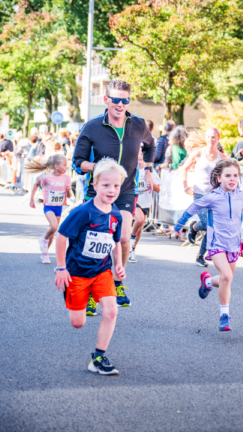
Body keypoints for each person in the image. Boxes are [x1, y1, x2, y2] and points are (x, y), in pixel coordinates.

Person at [72, 79, 156, 309]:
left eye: (125, 100)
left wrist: (148, 169)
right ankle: (91, 290)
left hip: (126, 190)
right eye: (116, 99)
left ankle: (117, 282)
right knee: (97, 242)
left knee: (124, 238)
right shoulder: (92, 127)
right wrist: (99, 167)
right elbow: (77, 162)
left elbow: (151, 145)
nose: (120, 104)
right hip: (97, 193)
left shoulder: (138, 125)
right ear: (106, 99)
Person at [175, 159, 243, 331]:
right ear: (219, 178)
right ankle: (224, 316)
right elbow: (194, 207)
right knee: (227, 276)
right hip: (216, 244)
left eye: (235, 175)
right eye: (228, 175)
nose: (232, 179)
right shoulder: (212, 197)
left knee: (226, 279)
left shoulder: (241, 196)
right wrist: (180, 224)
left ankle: (208, 282)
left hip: (233, 244)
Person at [54, 158, 127, 375]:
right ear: (94, 185)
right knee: (77, 323)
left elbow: (115, 241)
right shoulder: (82, 212)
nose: (111, 190)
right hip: (77, 273)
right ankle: (87, 296)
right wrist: (61, 267)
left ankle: (98, 357)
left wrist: (118, 265)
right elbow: (61, 236)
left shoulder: (116, 214)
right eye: (106, 185)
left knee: (111, 311)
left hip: (102, 270)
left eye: (116, 185)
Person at [179, 128, 225, 267]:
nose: (211, 140)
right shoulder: (198, 153)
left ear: (218, 138)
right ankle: (194, 227)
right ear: (205, 138)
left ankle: (200, 256)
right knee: (208, 224)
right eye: (209, 137)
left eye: (214, 137)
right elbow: (184, 168)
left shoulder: (222, 157)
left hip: (215, 196)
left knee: (213, 226)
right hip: (199, 194)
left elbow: (230, 172)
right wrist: (185, 185)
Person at [27, 154, 72, 264]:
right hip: (49, 207)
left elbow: (69, 196)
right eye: (64, 165)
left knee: (52, 232)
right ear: (56, 166)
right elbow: (36, 184)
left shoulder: (66, 178)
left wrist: (69, 190)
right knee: (54, 226)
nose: (66, 167)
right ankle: (43, 239)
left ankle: (45, 254)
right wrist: (31, 199)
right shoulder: (47, 177)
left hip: (59, 207)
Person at [129, 149, 160, 263]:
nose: (139, 156)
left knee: (139, 230)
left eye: (142, 154)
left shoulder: (150, 170)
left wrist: (150, 180)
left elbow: (158, 189)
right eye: (137, 153)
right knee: (140, 220)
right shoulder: (132, 168)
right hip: (134, 199)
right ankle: (130, 240)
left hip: (145, 202)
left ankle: (132, 250)